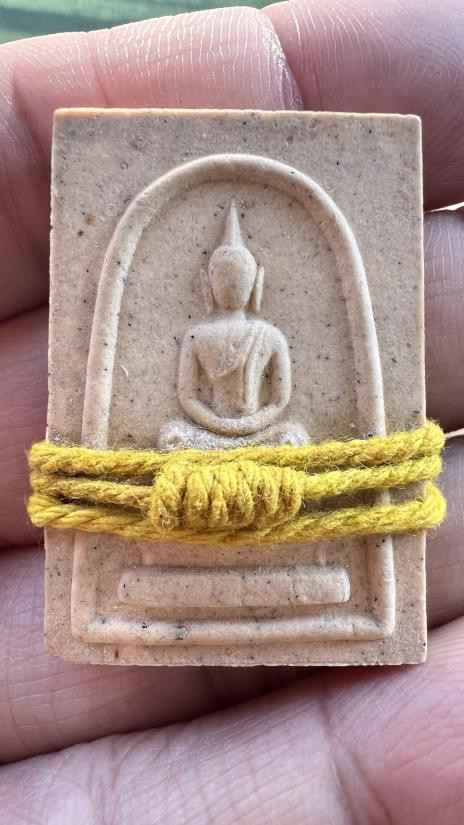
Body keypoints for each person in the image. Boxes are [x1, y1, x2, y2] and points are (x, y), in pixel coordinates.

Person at [0, 1, 463, 821]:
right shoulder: (198, 335)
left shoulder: (268, 334)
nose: (228, 287)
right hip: (203, 443)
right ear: (212, 282)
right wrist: (216, 433)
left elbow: (280, 404)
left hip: (265, 442)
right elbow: (184, 404)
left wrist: (254, 433)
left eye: (235, 280)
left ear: (251, 281)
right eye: (221, 280)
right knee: (171, 439)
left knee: (297, 437)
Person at [158, 201, 309, 448]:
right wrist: (243, 426)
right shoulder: (271, 336)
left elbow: (188, 399)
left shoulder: (197, 337)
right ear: (257, 286)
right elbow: (277, 402)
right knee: (290, 439)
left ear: (206, 286)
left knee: (175, 440)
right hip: (254, 436)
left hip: (212, 438)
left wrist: (222, 426)